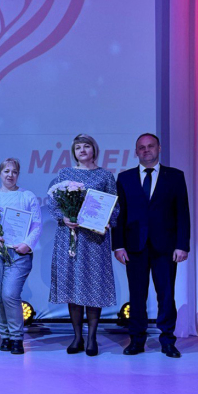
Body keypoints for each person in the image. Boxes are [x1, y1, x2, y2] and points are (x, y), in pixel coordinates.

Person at [113, 133, 190, 358]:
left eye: (150, 146)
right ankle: (136, 340)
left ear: (159, 148)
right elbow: (119, 215)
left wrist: (182, 245)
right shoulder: (124, 178)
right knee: (137, 295)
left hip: (166, 247)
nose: (146, 150)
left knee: (166, 295)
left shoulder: (175, 176)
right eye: (142, 147)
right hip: (134, 246)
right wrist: (118, 245)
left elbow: (182, 213)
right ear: (136, 151)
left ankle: (168, 341)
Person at [48, 134, 119, 357]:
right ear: (74, 152)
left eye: (86, 146)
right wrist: (63, 217)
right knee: (74, 286)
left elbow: (114, 206)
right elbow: (53, 203)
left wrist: (108, 221)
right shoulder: (64, 175)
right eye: (78, 147)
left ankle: (92, 337)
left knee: (93, 286)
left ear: (94, 149)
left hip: (95, 241)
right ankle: (77, 337)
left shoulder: (105, 175)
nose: (82, 150)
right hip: (70, 237)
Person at [0, 158, 42, 354]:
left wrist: (27, 244)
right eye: (6, 171)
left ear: (18, 174)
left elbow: (36, 225)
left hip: (19, 252)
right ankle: (4, 336)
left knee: (10, 294)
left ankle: (16, 337)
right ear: (0, 173)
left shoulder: (27, 196)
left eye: (14, 172)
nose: (10, 175)